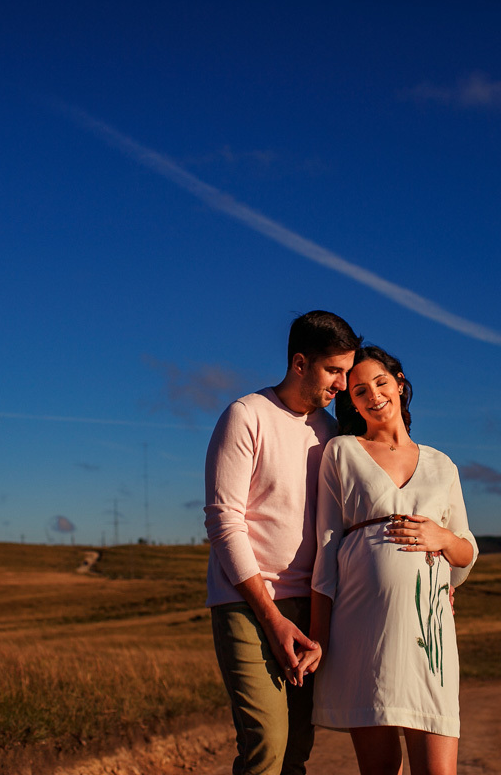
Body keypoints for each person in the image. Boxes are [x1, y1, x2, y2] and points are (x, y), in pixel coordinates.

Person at [302, 345, 478, 775]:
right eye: (360, 390)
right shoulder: (342, 451)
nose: (373, 395)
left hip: (430, 633)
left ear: (399, 384)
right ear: (352, 401)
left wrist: (442, 537)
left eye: (381, 383)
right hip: (363, 631)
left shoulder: (442, 465)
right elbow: (326, 548)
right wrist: (319, 636)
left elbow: (466, 553)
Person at [204, 310, 362, 775]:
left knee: (296, 750)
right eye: (333, 370)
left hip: (309, 607)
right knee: (266, 746)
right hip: (246, 603)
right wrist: (272, 618)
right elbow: (223, 521)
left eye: (347, 372)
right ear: (299, 363)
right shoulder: (245, 415)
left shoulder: (331, 434)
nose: (342, 384)